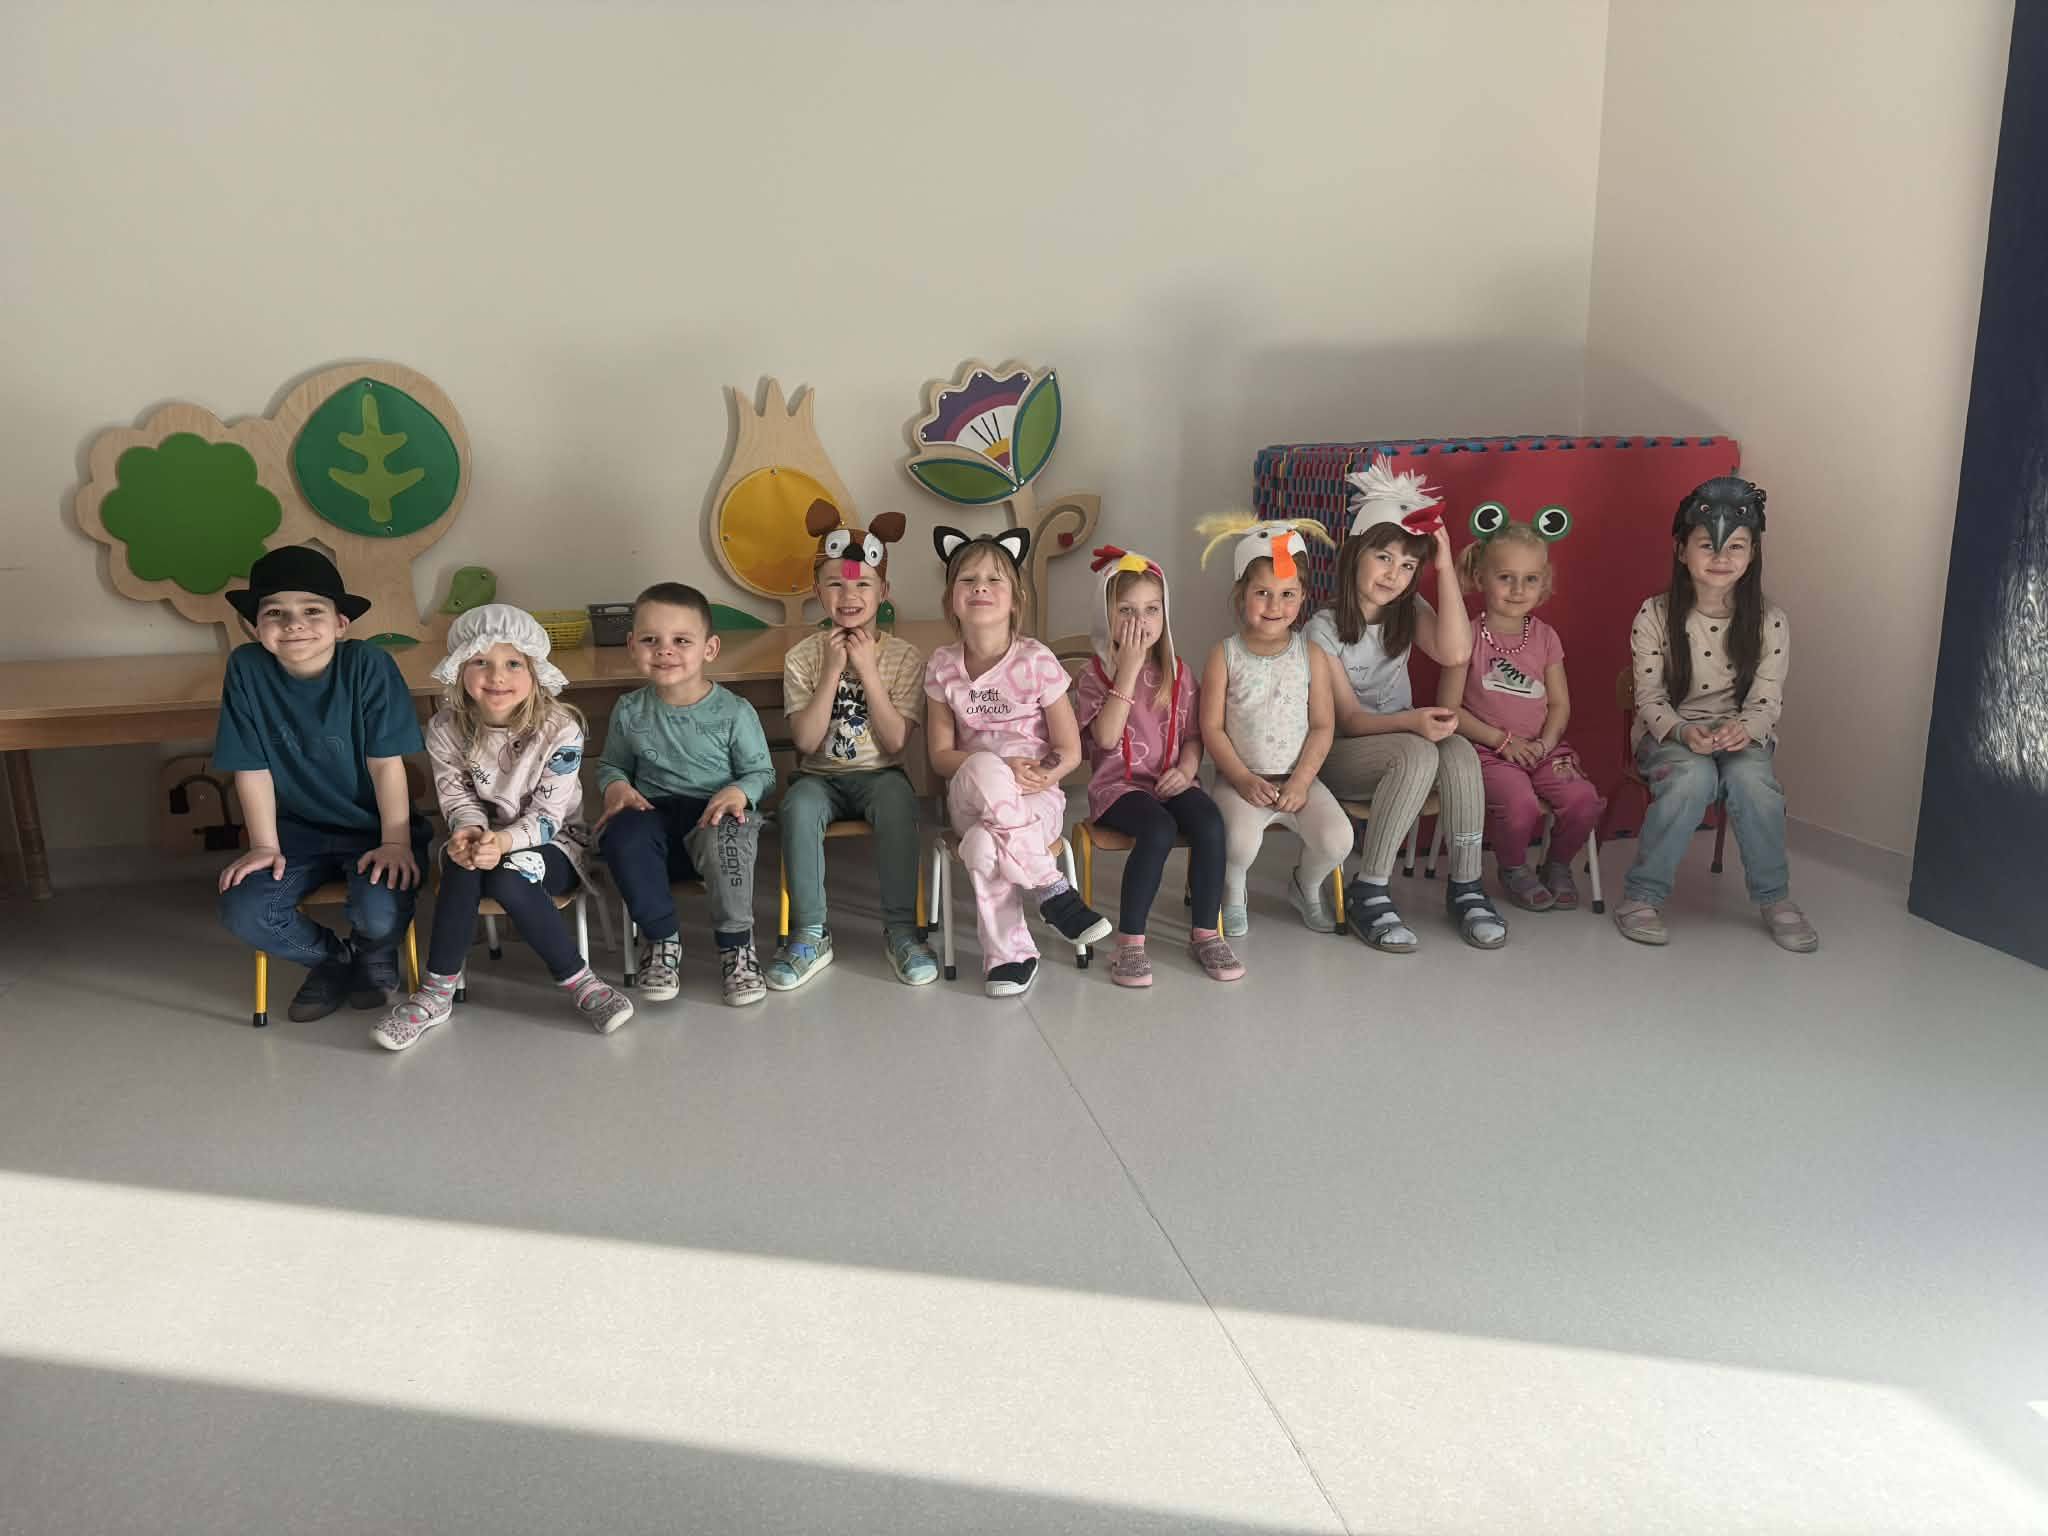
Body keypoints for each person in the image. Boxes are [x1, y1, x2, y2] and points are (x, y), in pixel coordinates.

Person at [373, 605, 632, 1050]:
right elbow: (458, 799)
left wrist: (505, 841)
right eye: (480, 662)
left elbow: (548, 817)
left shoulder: (560, 729)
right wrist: (470, 833)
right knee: (463, 866)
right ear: (460, 670)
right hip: (476, 836)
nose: (497, 676)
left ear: (534, 672)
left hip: (555, 842)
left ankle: (581, 982)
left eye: (513, 663)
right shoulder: (444, 728)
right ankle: (436, 993)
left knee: (510, 876)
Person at [214, 545, 429, 1023]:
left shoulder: (368, 665)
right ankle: (333, 960)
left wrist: (396, 842)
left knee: (380, 913)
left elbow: (386, 765)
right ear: (253, 626)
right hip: (295, 833)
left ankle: (374, 950)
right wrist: (263, 845)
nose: (294, 624)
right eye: (275, 613)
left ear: (340, 623)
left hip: (374, 830)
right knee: (244, 910)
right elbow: (251, 767)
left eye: (312, 610)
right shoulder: (246, 668)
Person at [1310, 459, 1507, 952]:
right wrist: (1414, 722)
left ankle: (1466, 886)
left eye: (1408, 566)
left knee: (1459, 751)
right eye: (1383, 558)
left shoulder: (1408, 611)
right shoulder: (1322, 630)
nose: (1394, 575)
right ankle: (1370, 888)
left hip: (1403, 744)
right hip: (1340, 754)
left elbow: (1456, 652)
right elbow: (1349, 721)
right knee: (1417, 752)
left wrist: (1444, 566)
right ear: (1355, 553)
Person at [1615, 477, 1816, 951]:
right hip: (1670, 733)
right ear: (1681, 550)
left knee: (1754, 784)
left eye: (1736, 547)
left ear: (1753, 555)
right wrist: (1683, 732)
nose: (1721, 557)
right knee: (1692, 778)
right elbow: (1649, 698)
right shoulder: (1654, 615)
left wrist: (1743, 730)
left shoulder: (1771, 622)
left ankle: (1775, 897)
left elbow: (1766, 701)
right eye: (1707, 545)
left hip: (1741, 735)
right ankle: (1642, 896)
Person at [923, 525, 1112, 998]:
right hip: (970, 796)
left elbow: (1069, 751)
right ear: (951, 599)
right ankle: (1051, 888)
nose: (980, 588)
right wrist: (1001, 768)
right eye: (968, 580)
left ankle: (1010, 956)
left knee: (982, 847)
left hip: (1035, 800)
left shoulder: (1037, 661)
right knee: (986, 764)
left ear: (1015, 599)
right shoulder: (942, 665)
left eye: (994, 579)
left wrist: (1040, 775)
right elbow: (941, 757)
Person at [771, 500, 939, 991]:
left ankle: (903, 931)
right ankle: (809, 934)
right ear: (817, 591)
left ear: (883, 591)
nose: (849, 595)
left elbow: (895, 742)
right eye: (835, 584)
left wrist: (866, 670)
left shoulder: (904, 656)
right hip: (818, 776)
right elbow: (805, 742)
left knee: (898, 803)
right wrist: (831, 672)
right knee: (797, 807)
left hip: (880, 774)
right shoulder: (802, 657)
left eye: (863, 584)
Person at [595, 583, 775, 1005]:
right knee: (621, 835)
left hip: (713, 813)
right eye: (650, 640)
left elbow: (762, 773)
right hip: (652, 813)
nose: (665, 650)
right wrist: (616, 786)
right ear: (631, 645)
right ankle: (661, 941)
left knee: (727, 836)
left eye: (681, 640)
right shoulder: (629, 709)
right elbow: (612, 765)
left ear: (709, 649)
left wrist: (738, 791)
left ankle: (737, 948)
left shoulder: (734, 711)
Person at [1073, 545, 1240, 986]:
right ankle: (1129, 942)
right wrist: (1127, 670)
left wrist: (1187, 770)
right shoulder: (1093, 676)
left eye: (1151, 609)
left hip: (1169, 782)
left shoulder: (1179, 673)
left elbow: (1194, 736)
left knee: (1209, 822)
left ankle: (1206, 933)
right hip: (1118, 790)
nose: (1140, 621)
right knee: (1159, 829)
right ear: (1106, 615)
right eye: (1126, 610)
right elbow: (1105, 738)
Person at [1194, 514, 1352, 937]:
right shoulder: (1224, 655)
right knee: (1238, 843)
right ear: (1241, 593)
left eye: (1287, 594)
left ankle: (1306, 885)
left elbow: (1322, 725)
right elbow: (1212, 728)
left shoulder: (1311, 655)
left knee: (1338, 839)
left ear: (1303, 597)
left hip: (1298, 779)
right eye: (1262, 593)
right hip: (1241, 781)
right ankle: (1233, 892)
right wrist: (1242, 779)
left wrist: (1302, 781)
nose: (1274, 606)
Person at [1440, 517, 1605, 911]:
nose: (1518, 590)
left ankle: (1557, 864)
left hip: (1542, 748)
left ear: (1544, 583)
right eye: (1506, 578)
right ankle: (1513, 868)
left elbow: (1560, 704)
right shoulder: (1465, 635)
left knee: (1584, 800)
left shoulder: (1545, 637)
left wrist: (1545, 744)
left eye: (1530, 579)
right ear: (1480, 578)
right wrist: (1503, 741)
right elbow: (1448, 709)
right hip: (1488, 751)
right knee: (1521, 805)